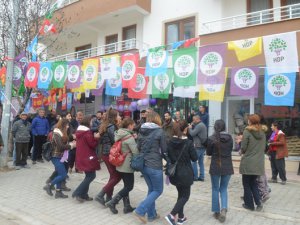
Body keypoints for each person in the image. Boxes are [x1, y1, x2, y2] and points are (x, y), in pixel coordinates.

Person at [133, 111, 169, 223]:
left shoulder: (141, 130)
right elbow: (164, 151)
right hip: (154, 165)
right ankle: (140, 209)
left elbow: (138, 147)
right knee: (158, 190)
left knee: (152, 189)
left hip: (144, 165)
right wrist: (169, 161)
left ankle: (152, 214)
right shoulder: (160, 131)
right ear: (157, 119)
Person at [164, 120, 197, 225]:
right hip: (185, 174)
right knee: (185, 196)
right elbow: (195, 158)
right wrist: (193, 148)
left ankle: (181, 218)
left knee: (181, 195)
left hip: (174, 173)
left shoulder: (170, 142)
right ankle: (171, 215)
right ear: (185, 129)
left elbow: (167, 155)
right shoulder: (188, 143)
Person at [106, 118, 138, 214]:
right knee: (129, 186)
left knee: (126, 186)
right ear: (129, 126)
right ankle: (113, 202)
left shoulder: (120, 133)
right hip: (127, 165)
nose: (134, 126)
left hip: (120, 164)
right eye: (133, 125)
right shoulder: (129, 137)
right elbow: (135, 152)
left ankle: (127, 206)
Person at [206, 120, 233, 223]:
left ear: (215, 127)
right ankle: (224, 208)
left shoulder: (211, 138)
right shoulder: (230, 138)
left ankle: (216, 211)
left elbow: (208, 153)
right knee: (224, 188)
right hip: (227, 166)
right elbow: (230, 150)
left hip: (215, 166)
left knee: (215, 188)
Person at [240, 114, 266, 211]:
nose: (247, 121)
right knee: (253, 183)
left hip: (248, 162)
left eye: (248, 120)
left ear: (250, 121)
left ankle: (249, 205)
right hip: (258, 162)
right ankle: (259, 203)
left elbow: (243, 147)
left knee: (246, 184)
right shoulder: (262, 132)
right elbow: (263, 147)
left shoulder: (247, 131)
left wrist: (242, 151)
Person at [43, 119, 75, 199]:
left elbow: (66, 139)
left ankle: (58, 192)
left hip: (61, 156)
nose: (68, 127)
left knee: (59, 173)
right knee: (63, 174)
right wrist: (71, 146)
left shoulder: (62, 133)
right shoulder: (56, 133)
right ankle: (49, 185)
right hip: (55, 156)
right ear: (63, 125)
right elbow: (60, 146)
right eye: (67, 125)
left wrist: (72, 138)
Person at [95, 109, 121, 206]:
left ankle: (108, 197)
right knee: (116, 176)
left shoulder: (105, 125)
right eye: (118, 115)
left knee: (112, 175)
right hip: (110, 153)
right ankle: (101, 194)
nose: (119, 117)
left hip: (105, 153)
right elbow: (114, 141)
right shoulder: (111, 126)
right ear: (114, 116)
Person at [72, 116, 100, 202]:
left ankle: (84, 195)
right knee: (91, 176)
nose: (92, 123)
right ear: (88, 122)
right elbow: (93, 145)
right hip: (88, 157)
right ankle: (78, 192)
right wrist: (96, 138)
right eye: (91, 121)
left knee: (88, 176)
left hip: (82, 156)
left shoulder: (79, 131)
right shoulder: (87, 133)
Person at [188, 115, 207, 181]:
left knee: (193, 161)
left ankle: (195, 177)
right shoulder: (202, 125)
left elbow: (192, 133)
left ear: (197, 119)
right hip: (202, 146)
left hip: (198, 146)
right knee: (201, 162)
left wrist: (190, 128)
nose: (193, 121)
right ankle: (202, 176)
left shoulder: (199, 126)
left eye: (194, 120)